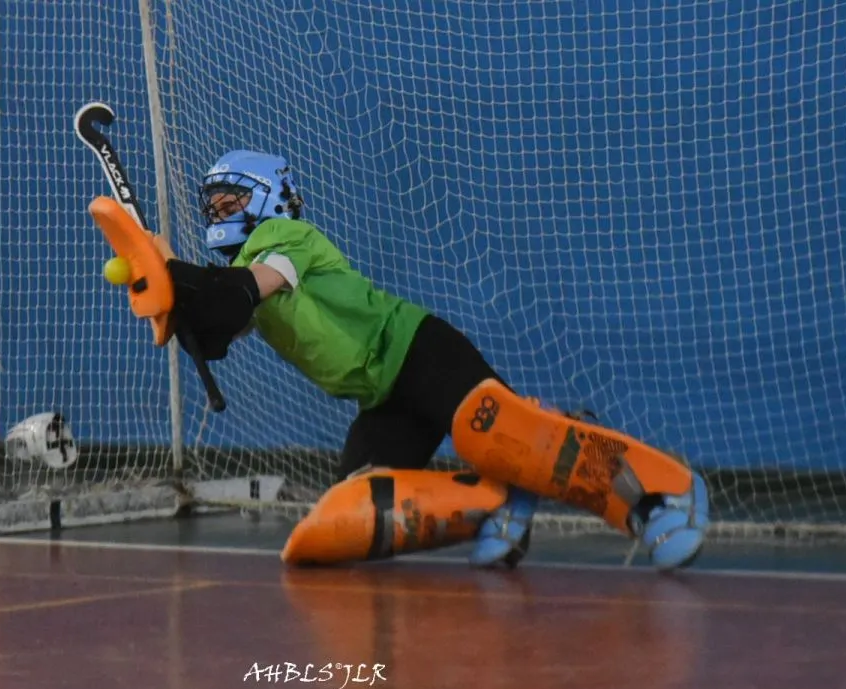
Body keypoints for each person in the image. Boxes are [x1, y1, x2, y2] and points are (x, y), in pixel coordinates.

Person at [155, 149, 710, 570]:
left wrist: (173, 276)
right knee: (349, 514)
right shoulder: (242, 275)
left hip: (419, 352)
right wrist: (173, 303)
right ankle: (497, 498)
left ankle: (661, 497)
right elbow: (219, 327)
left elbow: (237, 293)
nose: (220, 214)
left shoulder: (285, 235)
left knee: (492, 435)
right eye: (215, 208)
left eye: (231, 203)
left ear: (270, 197)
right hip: (382, 398)